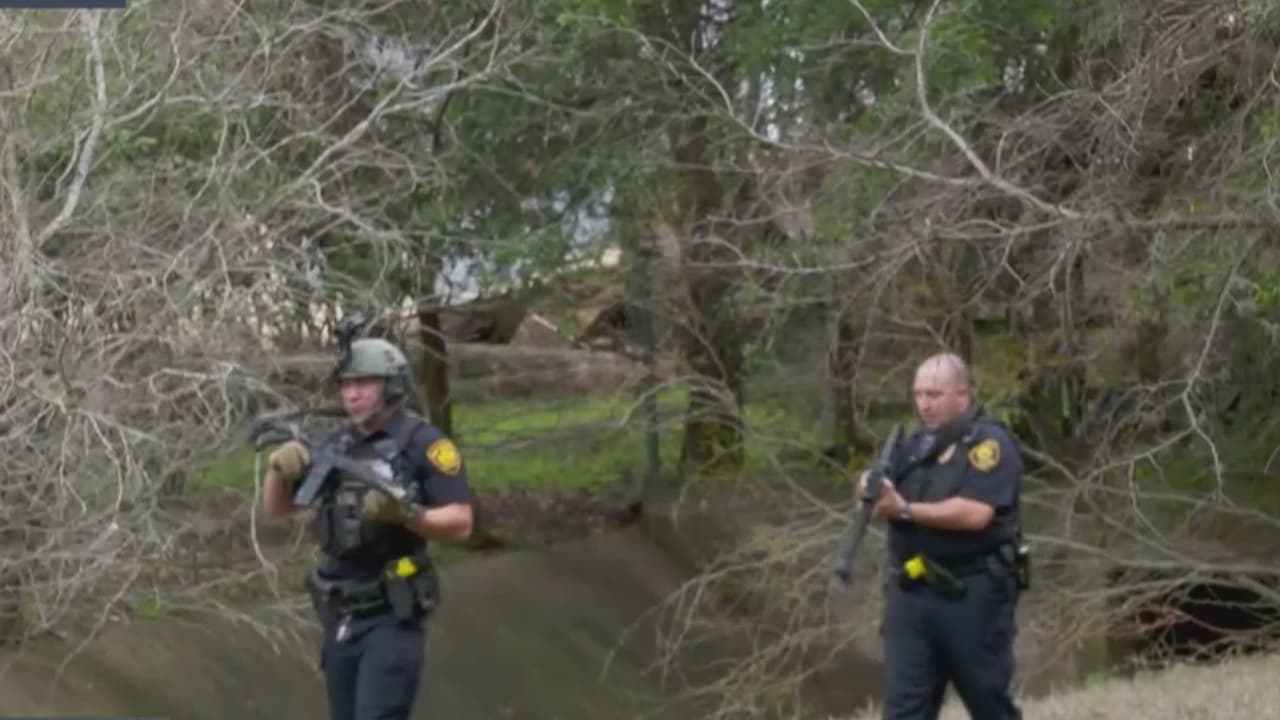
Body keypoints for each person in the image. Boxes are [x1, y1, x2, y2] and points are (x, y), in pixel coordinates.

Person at [260, 336, 473, 720]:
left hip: (392, 613)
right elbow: (278, 510)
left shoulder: (425, 445)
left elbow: (460, 523)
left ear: (391, 386)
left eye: (364, 384)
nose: (352, 394)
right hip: (340, 613)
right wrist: (279, 470)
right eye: (346, 385)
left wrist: (408, 516)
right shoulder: (335, 444)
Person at [860, 352, 1026, 720]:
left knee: (986, 699)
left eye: (934, 395)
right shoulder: (912, 446)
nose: (924, 404)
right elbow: (882, 495)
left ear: (962, 396)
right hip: (912, 593)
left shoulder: (989, 444)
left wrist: (904, 509)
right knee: (905, 707)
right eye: (919, 394)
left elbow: (975, 514)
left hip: (972, 593)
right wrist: (872, 490)